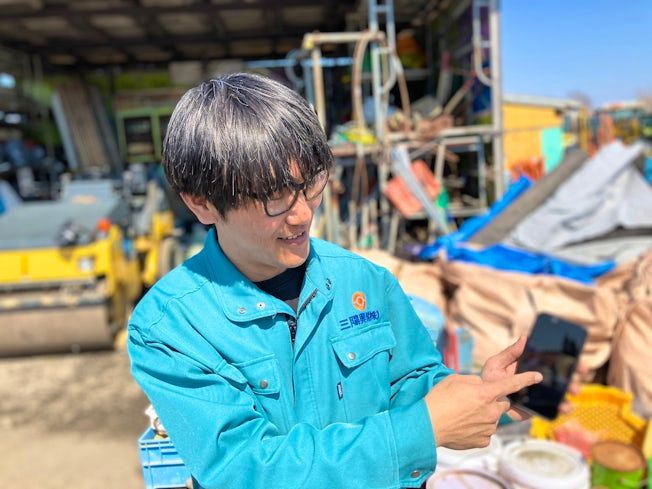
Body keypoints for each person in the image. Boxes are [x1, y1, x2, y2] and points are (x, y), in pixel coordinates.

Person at [128, 73, 543, 489]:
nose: (303, 214)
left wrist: (477, 394)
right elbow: (246, 469)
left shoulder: (363, 280)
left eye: (310, 184)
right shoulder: (169, 327)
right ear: (202, 203)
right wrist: (420, 431)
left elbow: (411, 378)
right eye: (274, 198)